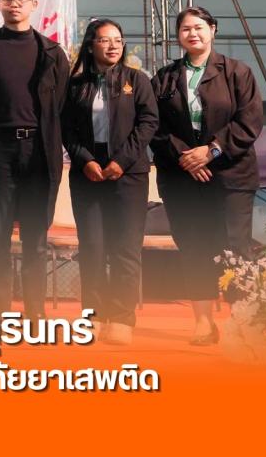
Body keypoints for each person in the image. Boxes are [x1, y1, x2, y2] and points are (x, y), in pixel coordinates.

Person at [152, 6, 262, 345]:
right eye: (186, 29)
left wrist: (211, 151)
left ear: (213, 30)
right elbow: (153, 125)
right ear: (178, 36)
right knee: (194, 247)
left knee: (234, 247)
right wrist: (186, 157)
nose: (193, 34)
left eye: (199, 27)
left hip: (231, 177)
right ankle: (203, 323)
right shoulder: (165, 77)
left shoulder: (237, 72)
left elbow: (249, 122)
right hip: (182, 177)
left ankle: (243, 322)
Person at [0, 0, 70, 320]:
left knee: (35, 237)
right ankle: (0, 310)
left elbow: (62, 107)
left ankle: (35, 312)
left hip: (38, 151)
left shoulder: (52, 52)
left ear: (34, 4)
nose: (14, 4)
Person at [60, 19, 158, 344]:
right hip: (87, 173)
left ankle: (122, 317)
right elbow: (67, 129)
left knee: (125, 248)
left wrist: (121, 161)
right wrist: (85, 159)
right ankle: (94, 316)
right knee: (92, 248)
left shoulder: (136, 80)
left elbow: (148, 123)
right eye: (105, 40)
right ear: (91, 46)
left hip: (128, 174)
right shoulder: (76, 85)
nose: (113, 45)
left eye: (118, 39)